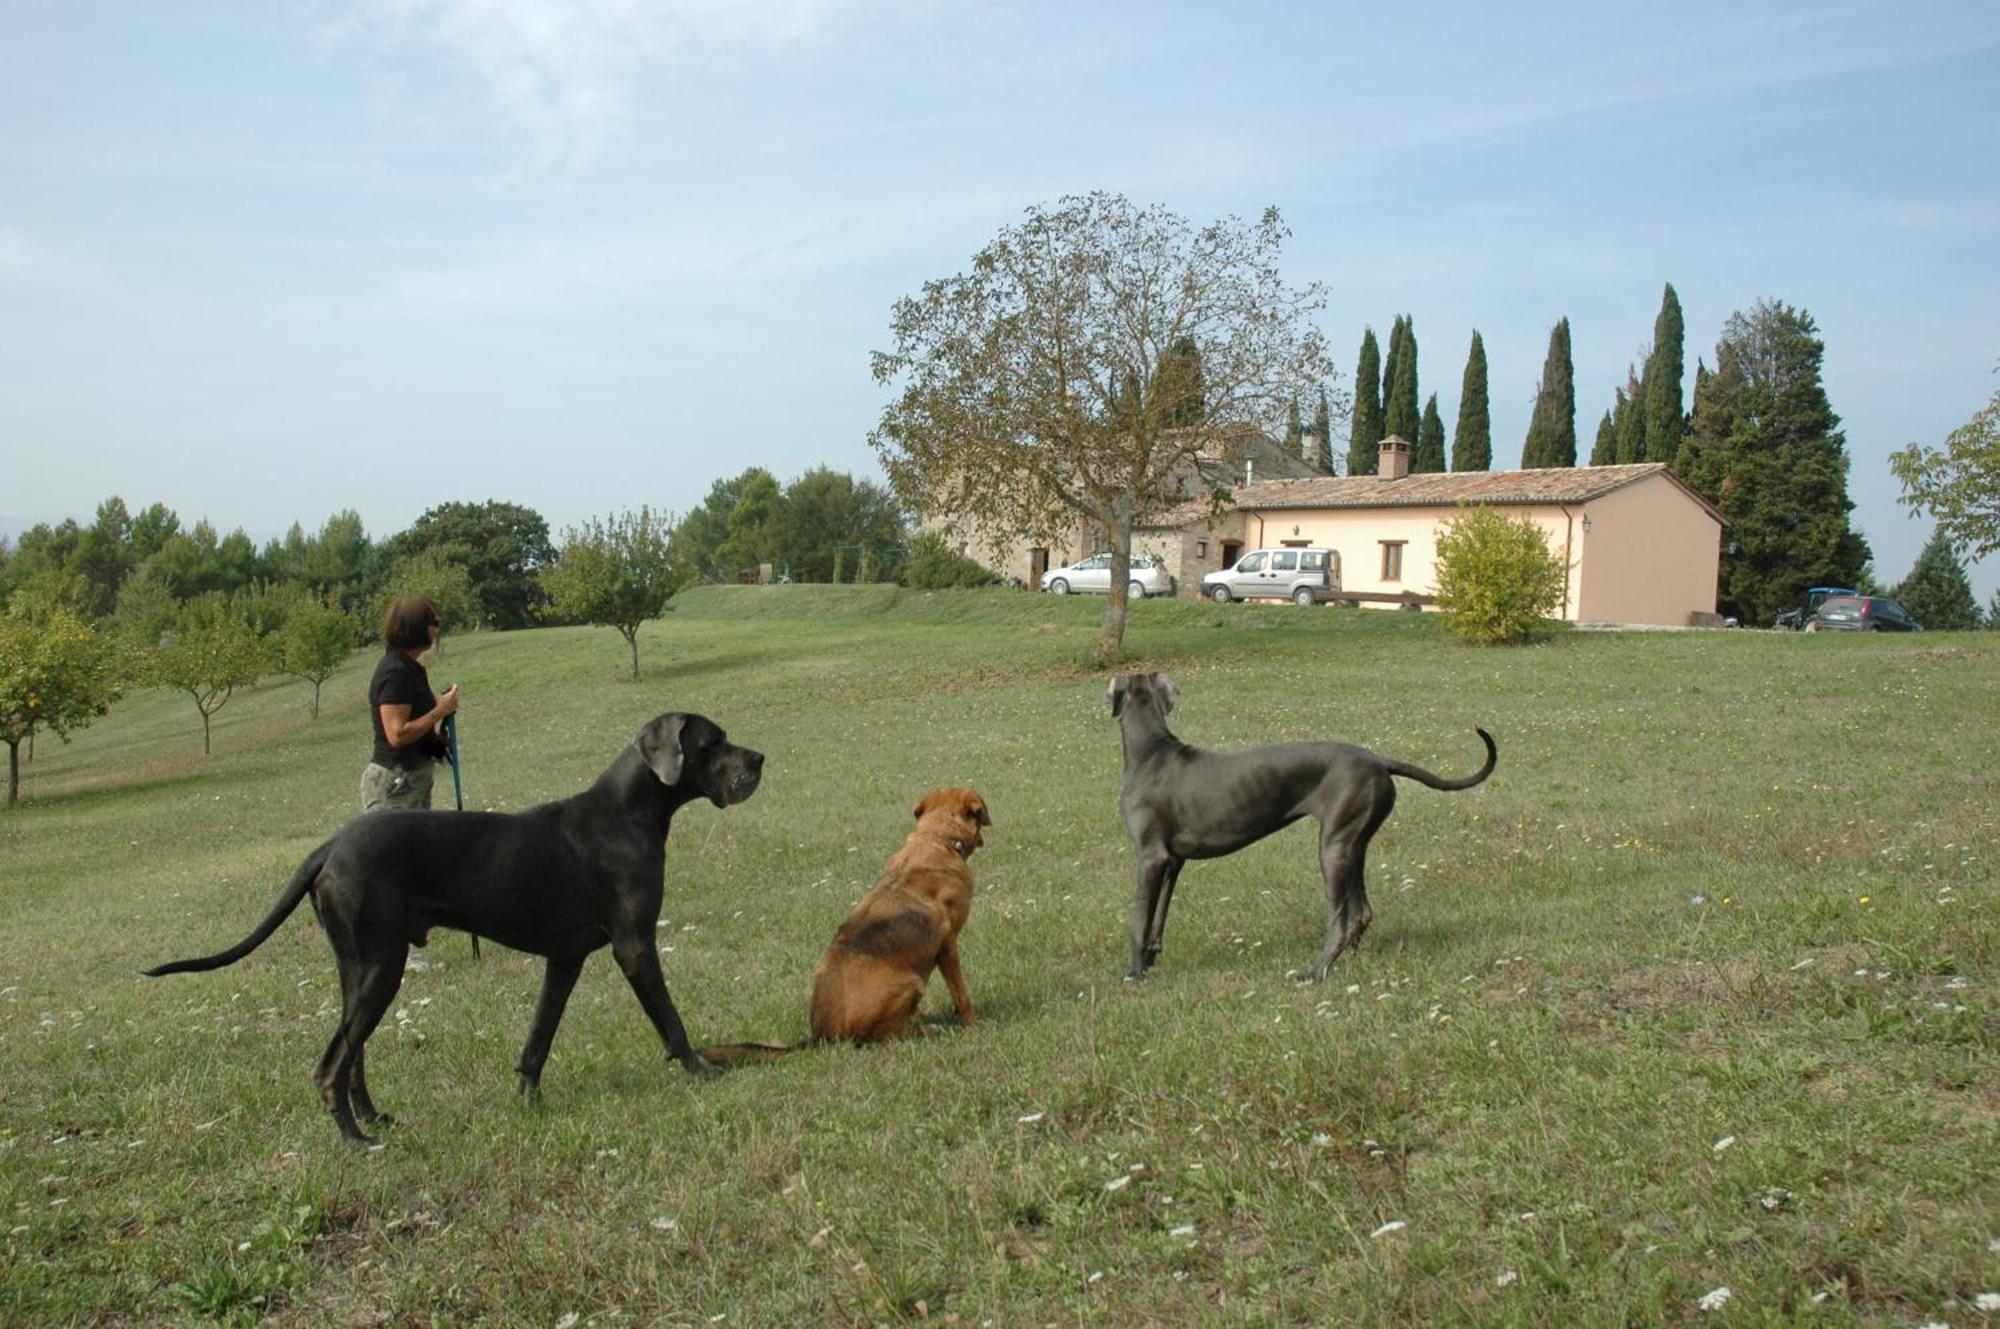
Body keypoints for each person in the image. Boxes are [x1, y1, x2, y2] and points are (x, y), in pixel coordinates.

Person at [360, 595, 460, 812]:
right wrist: (440, 709)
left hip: (412, 780)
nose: (437, 631)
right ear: (417, 627)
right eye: (435, 623)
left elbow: (416, 724)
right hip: (396, 782)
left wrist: (437, 741)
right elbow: (397, 735)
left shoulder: (409, 668)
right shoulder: (396, 671)